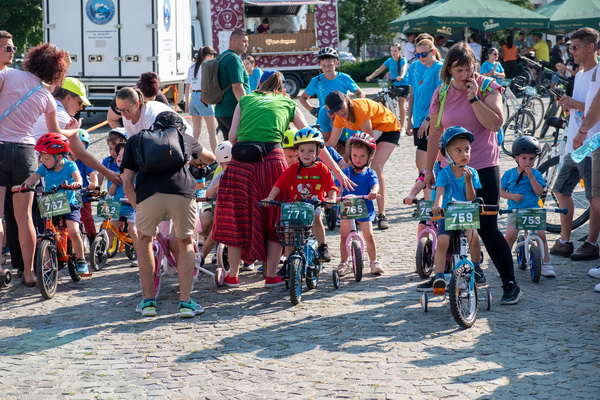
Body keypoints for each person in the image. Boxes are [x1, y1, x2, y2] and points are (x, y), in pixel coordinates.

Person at [212, 71, 352, 288]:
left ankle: (233, 276)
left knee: (238, 217)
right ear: (283, 88)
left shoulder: (245, 100)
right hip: (272, 161)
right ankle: (270, 276)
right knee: (276, 217)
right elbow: (311, 136)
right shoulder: (287, 103)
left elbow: (231, 138)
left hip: (241, 163)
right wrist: (338, 171)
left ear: (260, 85)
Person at [0, 43, 119, 287]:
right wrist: (74, 130)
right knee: (25, 218)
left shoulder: (9, 74)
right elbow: (57, 135)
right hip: (25, 152)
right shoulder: (47, 98)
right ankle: (30, 274)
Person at [424, 42, 522, 305]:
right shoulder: (441, 92)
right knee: (449, 224)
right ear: (449, 69)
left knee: (487, 227)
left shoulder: (488, 86)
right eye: (459, 70)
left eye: (469, 69)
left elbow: (495, 123)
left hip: (483, 166)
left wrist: (474, 98)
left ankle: (510, 283)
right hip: (450, 169)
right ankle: (448, 274)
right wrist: (428, 170)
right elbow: (435, 133)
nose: (465, 75)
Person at [120, 111, 216, 318]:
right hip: (181, 193)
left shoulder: (137, 140)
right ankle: (185, 303)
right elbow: (211, 158)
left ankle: (148, 302)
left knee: (144, 241)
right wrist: (194, 160)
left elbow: (126, 180)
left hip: (149, 195)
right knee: (185, 242)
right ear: (179, 127)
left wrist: (137, 205)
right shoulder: (183, 138)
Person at [552, 28, 600, 262]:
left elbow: (595, 109)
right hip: (575, 144)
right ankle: (565, 241)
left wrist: (576, 104)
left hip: (591, 144)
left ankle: (591, 243)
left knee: (594, 199)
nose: (571, 51)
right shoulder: (580, 74)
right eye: (569, 47)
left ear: (590, 47)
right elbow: (580, 107)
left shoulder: (598, 73)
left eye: (575, 47)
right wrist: (567, 106)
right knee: (560, 190)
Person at [14, 133, 91, 277]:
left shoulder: (69, 165)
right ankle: (47, 267)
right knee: (46, 235)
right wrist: (23, 185)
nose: (43, 161)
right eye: (42, 158)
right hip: (51, 204)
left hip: (69, 204)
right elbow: (34, 176)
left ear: (59, 157)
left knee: (73, 230)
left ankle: (81, 260)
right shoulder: (44, 167)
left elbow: (78, 177)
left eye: (47, 158)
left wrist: (77, 183)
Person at [417, 127, 482, 293]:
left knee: (474, 239)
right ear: (447, 154)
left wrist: (468, 181)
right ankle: (439, 275)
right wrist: (436, 206)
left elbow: (471, 198)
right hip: (447, 214)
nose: (464, 154)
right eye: (458, 150)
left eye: (467, 149)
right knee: (442, 242)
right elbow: (439, 192)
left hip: (466, 213)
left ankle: (476, 268)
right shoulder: (444, 173)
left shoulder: (472, 173)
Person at [325, 91, 400, 230]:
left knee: (376, 167)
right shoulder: (339, 117)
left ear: (346, 100)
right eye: (335, 111)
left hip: (388, 129)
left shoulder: (359, 109)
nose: (340, 112)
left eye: (341, 108)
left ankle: (382, 214)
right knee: (354, 167)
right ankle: (357, 209)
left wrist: (352, 163)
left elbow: (369, 141)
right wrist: (317, 152)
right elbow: (331, 143)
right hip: (372, 132)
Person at [262, 127, 338, 263]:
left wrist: (331, 199)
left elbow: (331, 186)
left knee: (316, 217)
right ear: (297, 151)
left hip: (315, 205)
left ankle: (322, 246)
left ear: (319, 152)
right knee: (288, 231)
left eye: (311, 151)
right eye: (302, 150)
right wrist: (270, 197)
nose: (306, 154)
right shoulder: (294, 168)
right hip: (296, 206)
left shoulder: (322, 168)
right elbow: (280, 183)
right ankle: (289, 261)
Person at [500, 136, 555, 277]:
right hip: (515, 210)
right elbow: (501, 191)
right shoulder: (509, 174)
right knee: (510, 236)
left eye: (531, 159)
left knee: (541, 235)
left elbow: (539, 192)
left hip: (533, 210)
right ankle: (504, 265)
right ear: (516, 158)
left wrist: (531, 177)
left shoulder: (536, 174)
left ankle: (546, 264)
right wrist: (511, 196)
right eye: (524, 158)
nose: (528, 162)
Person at [336, 133, 383, 276]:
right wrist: (334, 195)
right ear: (350, 155)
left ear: (369, 157)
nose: (358, 159)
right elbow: (336, 186)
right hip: (347, 207)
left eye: (362, 156)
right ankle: (344, 262)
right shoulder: (345, 172)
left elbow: (376, 185)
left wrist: (373, 192)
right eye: (355, 155)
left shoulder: (370, 173)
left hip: (364, 207)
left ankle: (374, 261)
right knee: (344, 236)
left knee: (369, 235)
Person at [406, 38, 443, 172]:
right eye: (417, 55)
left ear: (433, 52)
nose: (421, 57)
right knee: (424, 165)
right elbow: (415, 96)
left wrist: (428, 120)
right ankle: (429, 186)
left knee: (425, 164)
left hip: (430, 121)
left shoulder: (438, 68)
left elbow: (442, 98)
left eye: (423, 54)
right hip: (421, 120)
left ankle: (432, 186)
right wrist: (409, 119)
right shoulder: (427, 69)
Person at [299, 47, 365, 117]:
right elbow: (303, 98)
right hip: (325, 118)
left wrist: (353, 107)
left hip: (342, 116)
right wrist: (313, 110)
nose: (327, 68)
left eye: (330, 65)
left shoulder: (344, 78)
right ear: (320, 65)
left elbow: (360, 93)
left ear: (336, 63)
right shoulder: (316, 81)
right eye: (323, 65)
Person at [366, 43, 409, 136]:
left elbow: (404, 68)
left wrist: (401, 76)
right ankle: (392, 124)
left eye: (395, 51)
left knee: (401, 102)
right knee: (390, 103)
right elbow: (379, 69)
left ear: (399, 51)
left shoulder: (403, 60)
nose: (393, 53)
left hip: (404, 84)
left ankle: (403, 127)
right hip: (394, 83)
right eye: (391, 50)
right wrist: (371, 76)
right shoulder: (389, 60)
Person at [215, 29, 250, 141]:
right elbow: (238, 88)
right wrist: (248, 108)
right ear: (234, 41)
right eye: (244, 41)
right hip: (234, 112)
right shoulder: (233, 59)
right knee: (242, 146)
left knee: (229, 147)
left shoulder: (222, 57)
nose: (247, 45)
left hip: (222, 111)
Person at [115, 87, 189, 137]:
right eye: (119, 109)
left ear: (137, 104)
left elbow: (153, 144)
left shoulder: (149, 115)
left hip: (183, 136)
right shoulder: (126, 115)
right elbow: (132, 141)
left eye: (126, 110)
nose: (122, 114)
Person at [108, 142, 138, 266]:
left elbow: (140, 189)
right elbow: (111, 192)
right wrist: (115, 182)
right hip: (118, 207)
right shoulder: (115, 173)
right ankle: (103, 251)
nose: (120, 157)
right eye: (119, 154)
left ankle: (140, 254)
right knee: (110, 228)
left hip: (132, 208)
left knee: (133, 230)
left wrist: (130, 183)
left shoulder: (136, 174)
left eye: (124, 155)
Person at [185, 46, 218, 150]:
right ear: (208, 55)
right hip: (204, 97)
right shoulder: (207, 66)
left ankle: (192, 155)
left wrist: (187, 103)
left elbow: (187, 86)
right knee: (212, 131)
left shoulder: (192, 67)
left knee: (196, 131)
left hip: (193, 98)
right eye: (212, 55)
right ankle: (216, 156)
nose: (213, 58)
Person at [72, 129, 99, 242]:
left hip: (82, 194)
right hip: (68, 194)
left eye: (82, 146)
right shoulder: (64, 160)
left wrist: (95, 183)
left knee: (87, 217)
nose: (78, 148)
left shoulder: (84, 161)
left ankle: (93, 238)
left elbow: (93, 174)